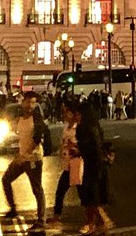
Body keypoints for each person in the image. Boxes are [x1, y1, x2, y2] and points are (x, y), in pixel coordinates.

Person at [2, 91, 52, 232]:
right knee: (6, 179)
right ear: (23, 102)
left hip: (33, 159)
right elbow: (18, 134)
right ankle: (13, 208)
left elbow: (36, 140)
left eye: (33, 102)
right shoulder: (20, 118)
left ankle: (41, 219)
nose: (30, 105)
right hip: (22, 158)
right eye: (28, 102)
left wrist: (24, 154)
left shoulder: (37, 119)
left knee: (37, 188)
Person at [76, 100, 111, 234]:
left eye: (79, 114)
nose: (77, 116)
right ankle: (96, 223)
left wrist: (80, 150)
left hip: (93, 165)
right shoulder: (92, 126)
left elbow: (94, 148)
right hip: (94, 164)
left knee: (90, 196)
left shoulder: (87, 128)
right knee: (90, 196)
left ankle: (100, 221)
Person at [51, 97, 82, 230]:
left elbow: (82, 145)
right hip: (67, 163)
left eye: (67, 112)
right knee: (60, 190)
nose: (65, 114)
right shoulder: (66, 127)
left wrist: (74, 146)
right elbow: (62, 143)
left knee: (82, 193)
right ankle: (56, 215)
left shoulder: (78, 128)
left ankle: (97, 218)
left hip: (76, 164)